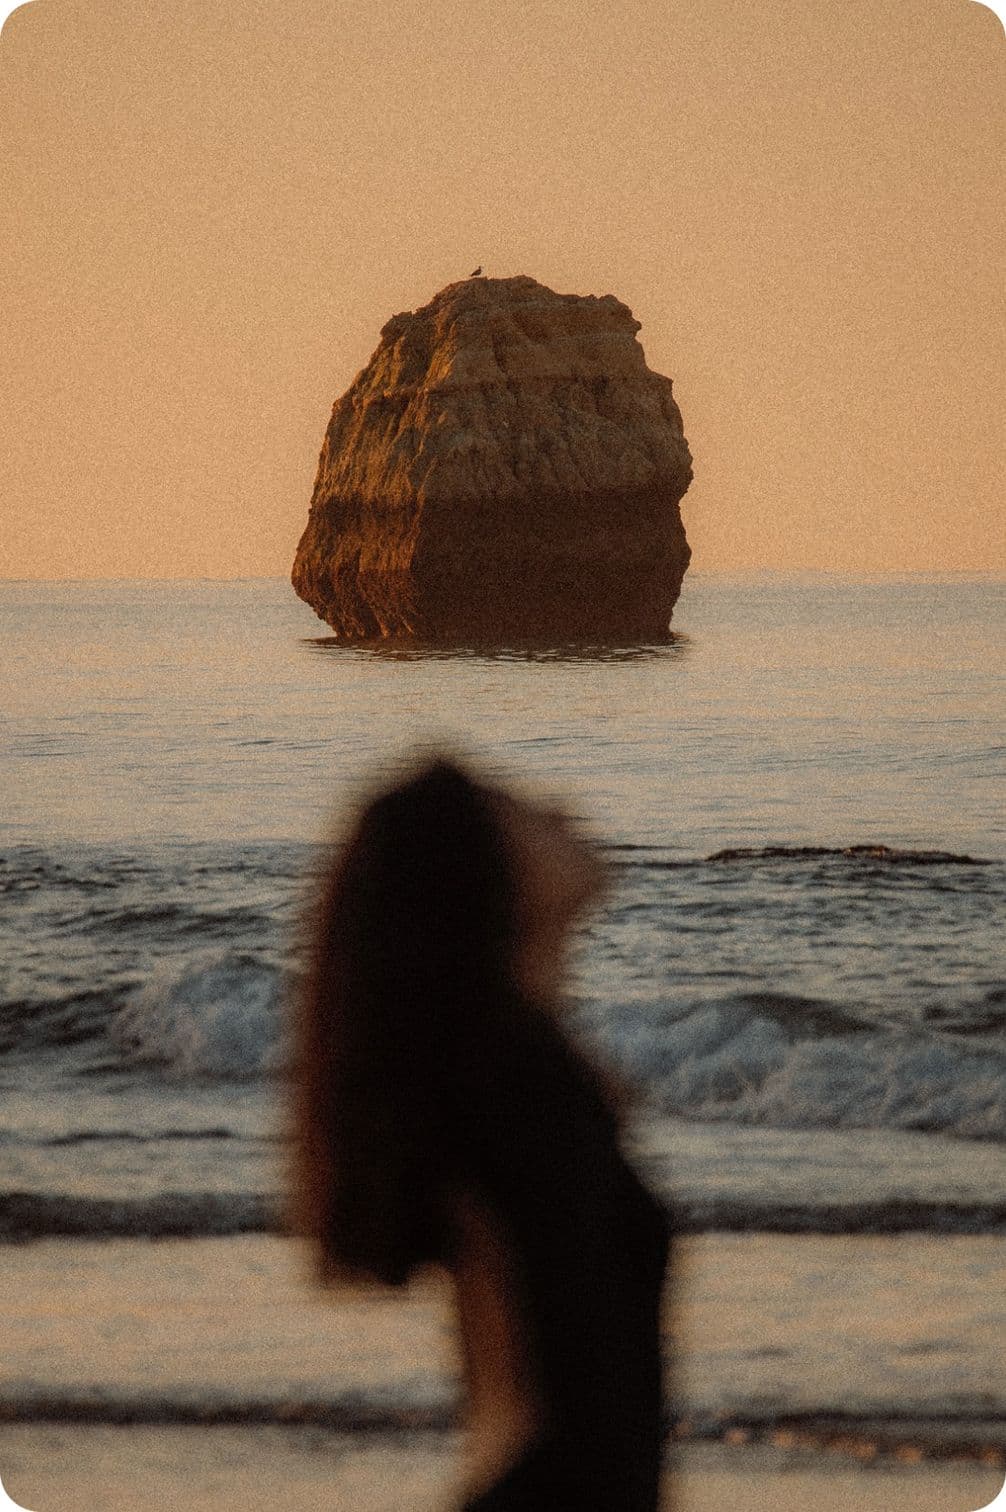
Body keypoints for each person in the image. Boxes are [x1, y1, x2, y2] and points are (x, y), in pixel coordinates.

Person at [290, 756, 672, 1510]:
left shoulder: (523, 1068)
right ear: (481, 881)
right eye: (521, 808)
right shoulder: (511, 1087)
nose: (561, 805)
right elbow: (547, 1418)